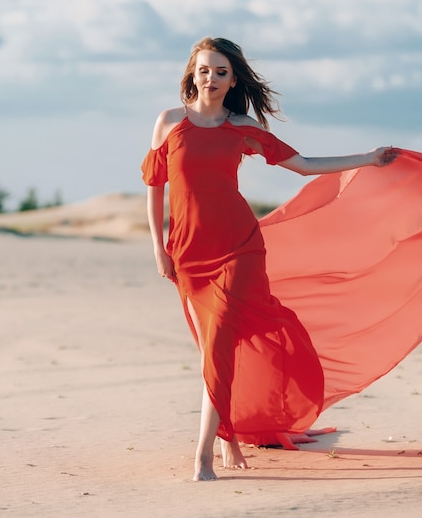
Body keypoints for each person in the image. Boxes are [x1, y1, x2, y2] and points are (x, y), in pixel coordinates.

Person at [142, 36, 398, 481]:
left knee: (220, 339)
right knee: (211, 347)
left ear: (233, 78)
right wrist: (158, 248)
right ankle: (230, 435)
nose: (212, 78)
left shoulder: (242, 127)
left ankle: (203, 452)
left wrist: (369, 158)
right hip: (188, 251)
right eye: (205, 70)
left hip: (238, 247)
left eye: (221, 71)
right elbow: (155, 187)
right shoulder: (168, 122)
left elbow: (301, 163)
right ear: (191, 74)